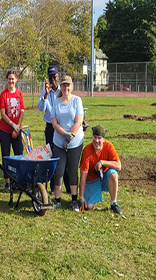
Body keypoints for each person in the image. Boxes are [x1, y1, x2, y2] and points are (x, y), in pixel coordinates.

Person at [51, 75, 84, 211]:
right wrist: (63, 134)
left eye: (68, 85)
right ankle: (57, 200)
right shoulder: (56, 102)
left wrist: (69, 137)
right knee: (59, 170)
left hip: (75, 142)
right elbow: (54, 122)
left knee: (72, 170)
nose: (66, 88)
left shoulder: (77, 100)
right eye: (64, 85)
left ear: (71, 87)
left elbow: (78, 121)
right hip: (59, 142)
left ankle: (74, 200)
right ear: (61, 87)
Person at [78, 125, 123, 214]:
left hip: (105, 177)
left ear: (103, 139)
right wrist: (81, 196)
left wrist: (102, 162)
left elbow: (119, 166)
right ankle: (92, 194)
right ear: (92, 137)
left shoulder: (109, 146)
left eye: (99, 138)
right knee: (88, 207)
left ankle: (114, 203)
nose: (97, 141)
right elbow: (83, 175)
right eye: (95, 137)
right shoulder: (87, 150)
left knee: (113, 174)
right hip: (91, 180)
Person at [37, 65, 68, 191]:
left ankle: (67, 185)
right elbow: (41, 108)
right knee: (51, 156)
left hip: (61, 127)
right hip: (50, 127)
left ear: (58, 76)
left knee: (63, 155)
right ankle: (53, 186)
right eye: (50, 77)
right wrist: (46, 95)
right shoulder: (45, 92)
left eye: (54, 77)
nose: (52, 80)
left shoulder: (63, 91)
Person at [0, 70, 25, 192]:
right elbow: (3, 114)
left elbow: (22, 111)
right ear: (7, 80)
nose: (11, 81)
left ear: (16, 80)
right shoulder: (4, 95)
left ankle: (18, 181)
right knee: (6, 156)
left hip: (17, 130)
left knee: (19, 154)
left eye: (13, 79)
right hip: (5, 130)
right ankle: (7, 183)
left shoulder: (19, 94)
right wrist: (13, 125)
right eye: (9, 79)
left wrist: (17, 127)